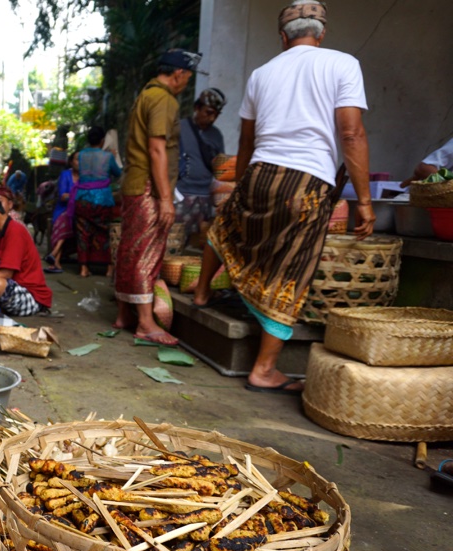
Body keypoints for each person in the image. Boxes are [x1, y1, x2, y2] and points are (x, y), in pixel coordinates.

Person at [192, 0, 374, 395]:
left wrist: (242, 188)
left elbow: (246, 139)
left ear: (282, 37)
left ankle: (202, 291)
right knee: (290, 268)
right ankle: (263, 369)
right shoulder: (343, 64)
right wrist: (364, 200)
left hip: (259, 172)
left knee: (226, 227)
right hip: (307, 183)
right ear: (321, 34)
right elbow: (351, 133)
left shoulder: (262, 73)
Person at [113, 48, 202, 345]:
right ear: (179, 73)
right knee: (147, 253)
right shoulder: (163, 99)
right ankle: (146, 323)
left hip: (135, 183)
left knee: (130, 248)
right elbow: (157, 149)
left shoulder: (145, 95)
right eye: (187, 77)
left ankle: (124, 314)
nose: (186, 82)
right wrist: (165, 198)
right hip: (148, 187)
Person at [0, 193, 53, 317]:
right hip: (17, 290)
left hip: (32, 297)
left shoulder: (15, 231)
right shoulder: (0, 233)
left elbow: (5, 274)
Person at [176, 88, 227, 243]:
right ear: (197, 108)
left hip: (205, 199)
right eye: (208, 113)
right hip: (180, 196)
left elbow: (221, 168)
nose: (212, 118)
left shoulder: (216, 135)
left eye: (216, 115)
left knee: (198, 244)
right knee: (174, 241)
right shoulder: (179, 128)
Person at [74, 126, 123, 278]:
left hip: (82, 199)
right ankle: (109, 268)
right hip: (102, 200)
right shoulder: (107, 156)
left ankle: (83, 268)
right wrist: (113, 156)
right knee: (104, 232)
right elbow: (118, 173)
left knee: (83, 233)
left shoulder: (81, 155)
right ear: (102, 141)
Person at [45, 151, 79, 274]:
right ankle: (55, 260)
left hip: (78, 211)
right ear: (71, 161)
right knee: (64, 219)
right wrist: (78, 196)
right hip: (63, 209)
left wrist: (72, 196)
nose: (80, 162)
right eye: (77, 159)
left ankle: (54, 257)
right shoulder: (65, 175)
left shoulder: (86, 177)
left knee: (67, 219)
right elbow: (62, 196)